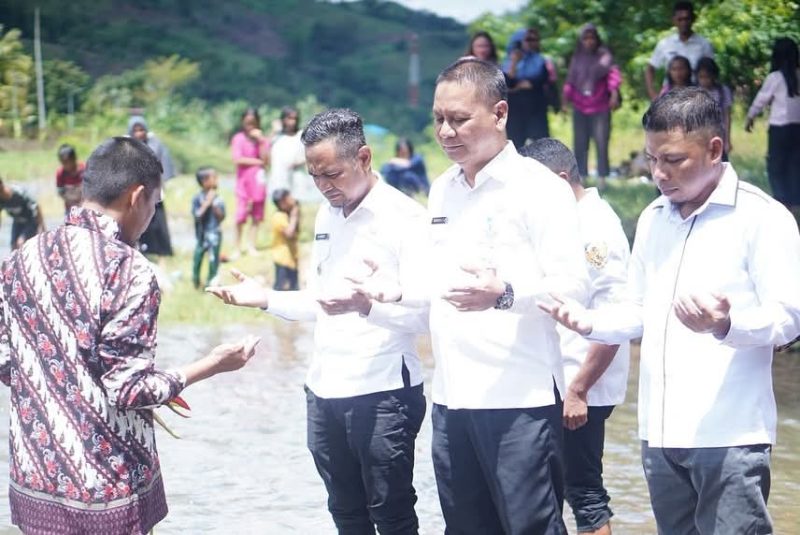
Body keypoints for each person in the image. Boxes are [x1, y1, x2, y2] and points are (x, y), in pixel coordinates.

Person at [542, 87, 800, 534]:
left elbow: (789, 318)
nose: (659, 173)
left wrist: (727, 324)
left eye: (674, 159)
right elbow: (639, 309)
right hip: (660, 435)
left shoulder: (763, 217)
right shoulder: (653, 217)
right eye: (651, 159)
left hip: (730, 434)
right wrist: (589, 322)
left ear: (714, 149)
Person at [0, 136, 260, 535]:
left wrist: (60, 388)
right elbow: (128, 390)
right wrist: (211, 365)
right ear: (137, 196)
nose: (151, 217)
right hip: (107, 488)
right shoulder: (128, 270)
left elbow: (6, 361)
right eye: (154, 206)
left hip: (37, 482)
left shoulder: (21, 258)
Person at [208, 108, 429, 534]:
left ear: (364, 157)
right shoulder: (328, 216)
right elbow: (321, 301)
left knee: (392, 514)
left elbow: (426, 316)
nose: (324, 187)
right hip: (325, 390)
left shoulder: (406, 219)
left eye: (333, 173)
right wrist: (265, 298)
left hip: (383, 392)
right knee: (345, 513)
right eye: (314, 176)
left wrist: (369, 307)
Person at [396, 57, 586, 534]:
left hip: (519, 399)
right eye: (438, 119)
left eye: (459, 119)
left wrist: (504, 294)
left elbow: (572, 286)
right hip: (453, 399)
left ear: (500, 114)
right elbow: (435, 288)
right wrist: (383, 295)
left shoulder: (540, 189)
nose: (445, 132)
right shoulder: (442, 190)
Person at [520, 138, 630, 535]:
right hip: (561, 379)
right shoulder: (568, 221)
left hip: (582, 384)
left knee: (583, 492)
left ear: (561, 179)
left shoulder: (595, 229)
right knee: (551, 487)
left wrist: (579, 390)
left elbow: (616, 320)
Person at [563, 24, 622, 189]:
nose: (589, 41)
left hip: (600, 106)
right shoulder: (577, 58)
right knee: (580, 142)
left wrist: (614, 94)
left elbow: (613, 76)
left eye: (592, 38)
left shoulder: (605, 56)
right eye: (586, 38)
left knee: (602, 142)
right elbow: (570, 80)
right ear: (581, 41)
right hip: (580, 105)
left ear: (597, 39)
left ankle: (602, 178)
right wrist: (565, 100)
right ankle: (582, 176)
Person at [746, 37, 800, 212]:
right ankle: (795, 200)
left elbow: (761, 100)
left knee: (776, 165)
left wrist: (750, 117)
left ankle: (782, 201)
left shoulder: (775, 77)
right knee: (795, 164)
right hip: (797, 128)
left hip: (779, 128)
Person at [645, 1, 714, 100]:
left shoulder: (704, 44)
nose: (684, 23)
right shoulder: (665, 44)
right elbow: (650, 68)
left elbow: (711, 72)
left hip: (696, 97)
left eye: (687, 19)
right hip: (670, 96)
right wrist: (652, 92)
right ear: (674, 20)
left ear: (693, 19)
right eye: (680, 19)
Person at [128, 115, 175, 260]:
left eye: (141, 130)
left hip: (154, 189)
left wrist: (162, 183)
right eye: (135, 130)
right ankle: (140, 252)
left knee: (157, 222)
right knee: (139, 221)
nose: (139, 133)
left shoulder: (155, 145)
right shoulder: (127, 147)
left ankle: (161, 253)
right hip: (136, 191)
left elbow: (164, 164)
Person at [503, 28, 559, 148]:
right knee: (515, 148)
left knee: (541, 148)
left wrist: (520, 85)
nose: (532, 43)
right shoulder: (507, 61)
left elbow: (540, 80)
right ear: (518, 42)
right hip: (515, 112)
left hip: (536, 109)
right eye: (528, 39)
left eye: (535, 40)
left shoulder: (541, 60)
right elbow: (507, 83)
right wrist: (514, 62)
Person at [231, 107, 270, 257]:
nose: (250, 126)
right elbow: (237, 159)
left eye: (253, 123)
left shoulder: (262, 140)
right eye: (247, 123)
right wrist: (257, 161)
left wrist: (261, 142)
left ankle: (251, 245)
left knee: (256, 215)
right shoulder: (238, 138)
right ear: (243, 122)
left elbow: (266, 161)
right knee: (240, 215)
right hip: (243, 182)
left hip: (258, 182)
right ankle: (236, 247)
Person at [270, 106, 321, 203]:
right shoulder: (277, 137)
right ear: (283, 119)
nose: (292, 122)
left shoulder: (301, 135)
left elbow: (311, 154)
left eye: (294, 119)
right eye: (289, 118)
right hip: (279, 178)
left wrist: (297, 163)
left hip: (297, 177)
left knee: (294, 205)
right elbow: (266, 150)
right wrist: (275, 131)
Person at [191, 166, 226, 289]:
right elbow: (197, 215)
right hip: (201, 235)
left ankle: (211, 283)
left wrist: (214, 206)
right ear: (205, 182)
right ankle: (195, 281)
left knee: (213, 259)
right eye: (214, 178)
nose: (217, 180)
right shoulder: (197, 198)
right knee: (198, 258)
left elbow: (222, 217)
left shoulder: (218, 198)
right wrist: (207, 203)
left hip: (214, 234)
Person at [696, 56, 733, 158]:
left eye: (707, 77)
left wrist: (727, 140)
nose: (704, 81)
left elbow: (727, 115)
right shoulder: (694, 91)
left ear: (714, 76)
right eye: (701, 77)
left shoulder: (723, 91)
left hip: (718, 134)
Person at [0, 176, 45, 250]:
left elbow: (36, 206)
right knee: (13, 247)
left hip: (30, 221)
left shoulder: (19, 194)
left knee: (20, 243)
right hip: (17, 222)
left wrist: (42, 227)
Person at [270, 188, 300, 291]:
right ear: (282, 202)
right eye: (289, 198)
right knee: (281, 289)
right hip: (282, 259)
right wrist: (294, 215)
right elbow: (289, 233)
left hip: (291, 258)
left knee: (294, 289)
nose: (293, 199)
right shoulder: (278, 217)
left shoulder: (287, 214)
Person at [55, 143, 84, 214]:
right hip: (71, 209)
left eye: (66, 162)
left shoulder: (84, 169)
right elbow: (60, 191)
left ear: (74, 159)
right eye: (62, 162)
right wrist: (71, 201)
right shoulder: (61, 173)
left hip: (85, 206)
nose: (64, 165)